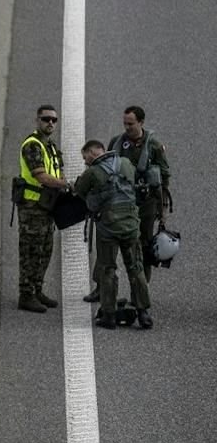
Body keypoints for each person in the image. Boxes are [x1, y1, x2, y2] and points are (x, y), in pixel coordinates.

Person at [75, 139, 149, 329]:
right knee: (136, 267)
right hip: (131, 224)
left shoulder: (92, 172)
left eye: (85, 158)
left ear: (93, 153)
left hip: (108, 227)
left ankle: (108, 315)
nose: (85, 162)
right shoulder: (125, 164)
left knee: (108, 269)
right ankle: (143, 313)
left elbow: (80, 191)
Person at [14, 105, 70, 313]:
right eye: (46, 119)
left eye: (54, 120)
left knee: (45, 250)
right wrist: (64, 184)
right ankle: (25, 294)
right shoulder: (33, 145)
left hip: (47, 207)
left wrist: (63, 183)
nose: (50, 123)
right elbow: (41, 176)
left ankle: (37, 289)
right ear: (37, 121)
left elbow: (59, 172)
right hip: (32, 207)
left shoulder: (52, 147)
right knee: (30, 251)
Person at [109, 104, 171, 282]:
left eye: (131, 124)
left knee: (144, 245)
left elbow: (165, 178)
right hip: (120, 201)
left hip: (146, 202)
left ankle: (142, 289)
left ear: (141, 122)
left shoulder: (154, 146)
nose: (127, 128)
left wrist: (163, 208)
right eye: (125, 124)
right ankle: (103, 288)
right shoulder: (116, 142)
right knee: (109, 243)